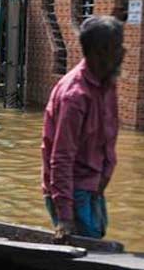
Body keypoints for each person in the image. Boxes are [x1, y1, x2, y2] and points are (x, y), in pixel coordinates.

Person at [42, 15, 124, 242]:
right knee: (85, 247)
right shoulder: (75, 97)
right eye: (118, 48)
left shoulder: (108, 83)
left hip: (92, 185)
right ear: (100, 52)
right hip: (71, 189)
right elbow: (61, 158)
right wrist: (65, 217)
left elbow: (109, 140)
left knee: (97, 238)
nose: (123, 53)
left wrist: (103, 179)